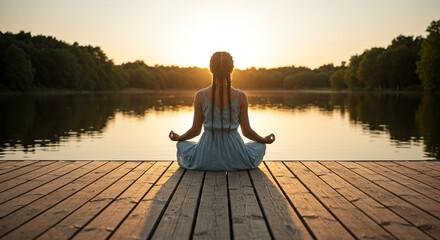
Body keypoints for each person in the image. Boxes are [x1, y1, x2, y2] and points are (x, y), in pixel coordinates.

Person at [169, 51, 275, 171]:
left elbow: (195, 130)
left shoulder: (200, 95)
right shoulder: (241, 96)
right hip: (235, 154)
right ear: (231, 70)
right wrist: (264, 140)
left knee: (182, 145)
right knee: (260, 146)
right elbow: (247, 132)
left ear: (210, 69)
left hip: (206, 155)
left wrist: (179, 138)